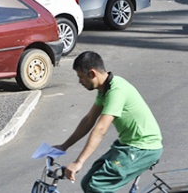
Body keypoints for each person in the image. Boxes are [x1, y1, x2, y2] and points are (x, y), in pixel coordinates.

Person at [55, 52, 163, 193]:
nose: (80, 82)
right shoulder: (105, 89)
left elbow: (100, 129)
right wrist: (64, 146)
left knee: (97, 186)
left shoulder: (116, 90)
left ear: (92, 74)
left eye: (81, 77)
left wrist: (78, 162)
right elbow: (89, 120)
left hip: (143, 148)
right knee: (87, 182)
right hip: (127, 145)